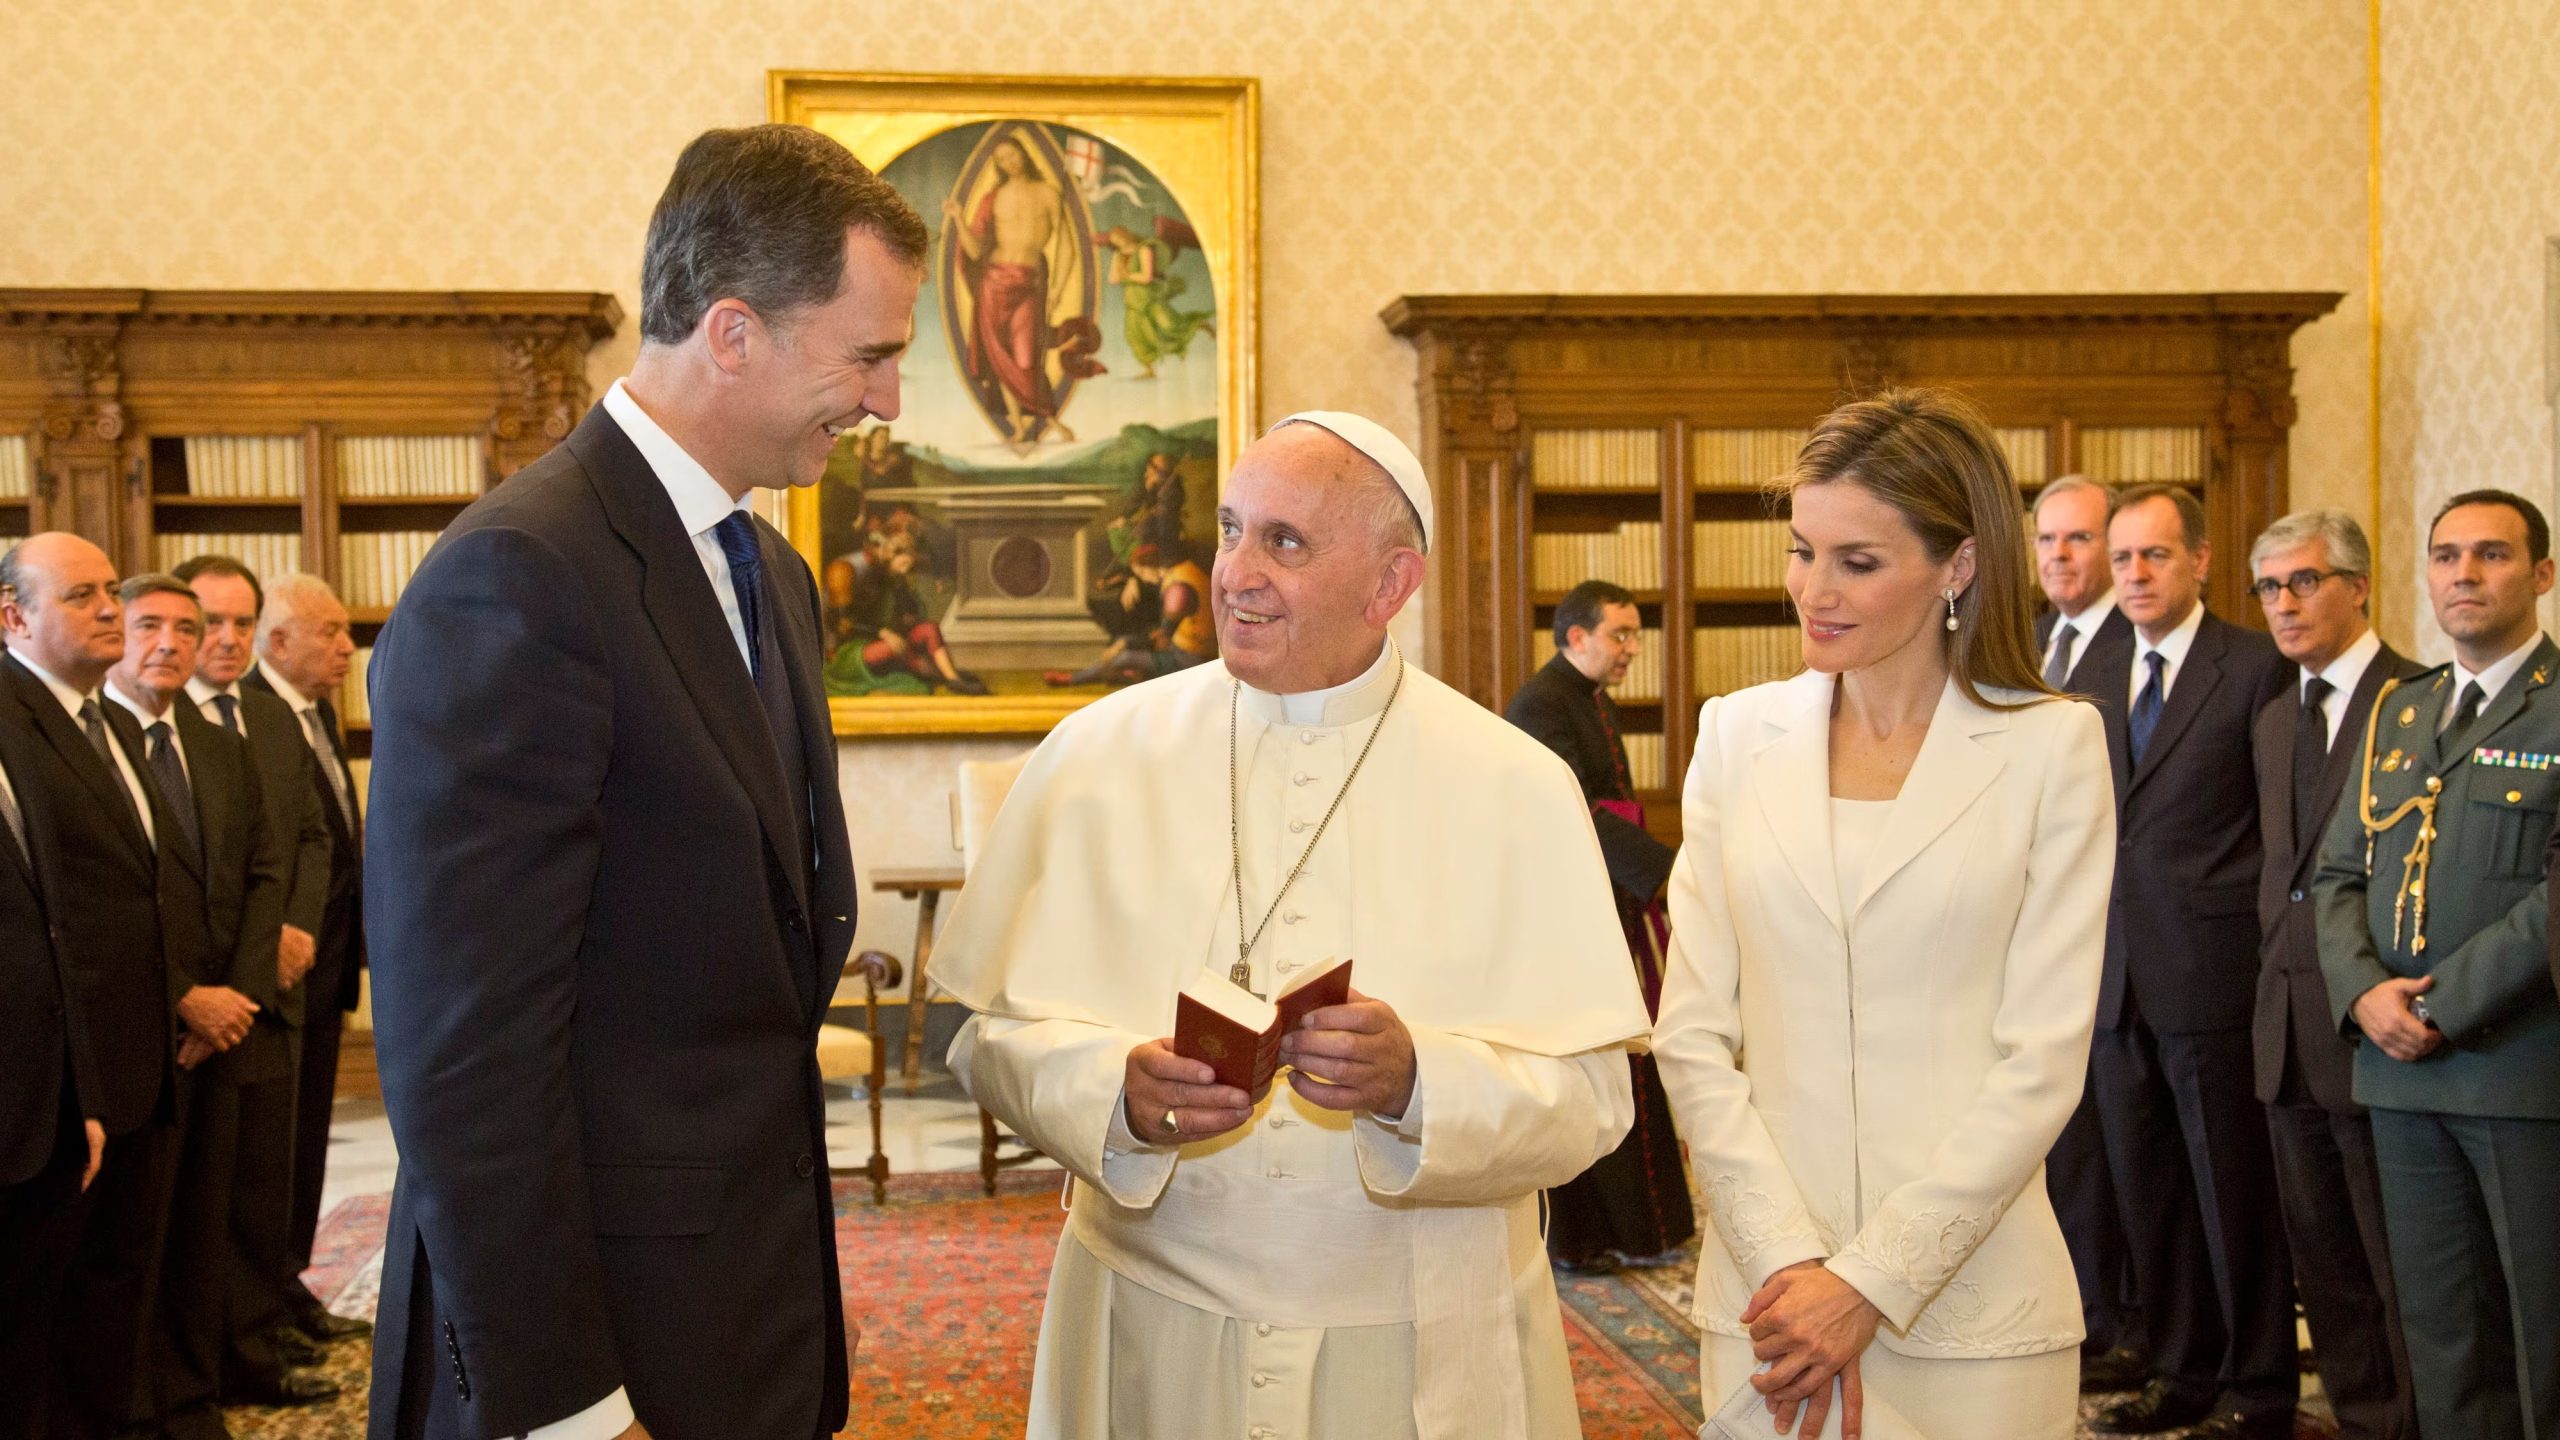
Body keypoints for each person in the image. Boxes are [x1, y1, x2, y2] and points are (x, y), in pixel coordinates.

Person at [933, 411, 1648, 1440]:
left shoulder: (1516, 785)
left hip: (1415, 1341)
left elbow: (1590, 1106)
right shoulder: (1096, 756)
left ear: (1390, 585)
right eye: (1228, 529)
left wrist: (1417, 1084)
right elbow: (986, 1041)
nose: (1234, 572)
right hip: (1155, 1323)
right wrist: (1113, 1096)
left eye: (1285, 541)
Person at [363, 123, 917, 1440]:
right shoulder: (520, 573)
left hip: (730, 1299)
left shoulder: (765, 569)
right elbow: (466, 1053)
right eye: (871, 356)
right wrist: (564, 1405)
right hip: (582, 1345)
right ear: (733, 334)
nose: (888, 401)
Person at [1654, 390, 2114, 1440]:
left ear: (1957, 565)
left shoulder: (2052, 748)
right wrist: (1790, 1264)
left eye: (1856, 562)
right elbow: (1690, 1033)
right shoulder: (1735, 737)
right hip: (1768, 1297)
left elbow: (2041, 1059)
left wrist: (1868, 1280)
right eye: (1800, 552)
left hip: (1974, 1307)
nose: (1812, 591)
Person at [2315, 490, 2560, 1440]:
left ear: (2540, 575)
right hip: (2398, 1078)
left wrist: (2443, 1006)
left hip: (2517, 1071)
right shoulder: (2399, 712)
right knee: (2443, 1335)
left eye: (2492, 555)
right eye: (2447, 556)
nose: (2464, 574)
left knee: (2542, 1332)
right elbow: (2336, 871)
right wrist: (2364, 994)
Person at [2088, 485, 2299, 1440]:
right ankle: (2179, 1372)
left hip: (2214, 972)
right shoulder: (2091, 669)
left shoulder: (2253, 668)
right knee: (2151, 1195)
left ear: (2202, 561)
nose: (2133, 575)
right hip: (2112, 974)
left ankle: (2257, 1388)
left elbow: (2276, 830)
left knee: (2231, 1196)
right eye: (2121, 558)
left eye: (2154, 557)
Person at [0, 534, 184, 1437]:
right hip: (64, 1080)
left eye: (113, 590)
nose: (111, 608)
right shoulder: (14, 718)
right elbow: (45, 919)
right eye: (83, 596)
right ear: (14, 618)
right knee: (46, 1316)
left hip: (139, 1061)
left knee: (116, 1296)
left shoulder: (103, 714)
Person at [2241, 511, 2420, 1440]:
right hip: (2285, 1036)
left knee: (2403, 1267)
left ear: (2358, 585)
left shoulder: (2419, 700)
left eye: (2303, 581)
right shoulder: (2276, 720)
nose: (2284, 603)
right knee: (2328, 1268)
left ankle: (2418, 1422)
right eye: (2268, 587)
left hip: (2376, 1031)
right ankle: (2363, 1421)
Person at [107, 573, 298, 1436]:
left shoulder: (218, 742)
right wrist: (182, 998)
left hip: (226, 1031)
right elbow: (105, 900)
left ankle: (189, 1398)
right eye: (152, 625)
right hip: (143, 1036)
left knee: (207, 1229)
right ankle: (130, 1399)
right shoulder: (90, 737)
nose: (175, 644)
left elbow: (266, 872)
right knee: (129, 1244)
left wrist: (238, 998)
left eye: (189, 629)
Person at [174, 553, 342, 1403]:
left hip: (278, 985)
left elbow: (306, 837)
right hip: (202, 1002)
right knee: (201, 1200)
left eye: (243, 622)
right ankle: (213, 1358)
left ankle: (254, 1342)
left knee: (262, 1187)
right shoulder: (163, 723)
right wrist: (239, 965)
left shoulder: (270, 721)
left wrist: (297, 929)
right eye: (213, 622)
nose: (228, 638)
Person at [1503, 579, 1693, 1273]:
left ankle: (1639, 1228)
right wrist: (1665, 875)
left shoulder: (1585, 698)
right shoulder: (1541, 705)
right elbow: (1577, 811)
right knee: (1591, 1057)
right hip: (1565, 916)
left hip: (1604, 900)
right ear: (1575, 637)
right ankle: (1585, 1234)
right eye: (1620, 635)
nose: (1631, 650)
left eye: (1636, 635)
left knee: (1625, 1052)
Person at [2026, 474, 2146, 1390]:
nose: (2062, 556)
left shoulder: (2132, 652)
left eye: (2079, 540)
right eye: (2048, 540)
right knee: (2066, 1160)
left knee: (2129, 1169)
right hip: (2039, 940)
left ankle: (2131, 1326)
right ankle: (2091, 1320)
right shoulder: (2028, 646)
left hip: (2134, 951)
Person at [242, 571, 372, 1349]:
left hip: (324, 967)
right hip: (279, 974)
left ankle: (290, 1284)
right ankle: (264, 1296)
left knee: (305, 1141)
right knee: (272, 1154)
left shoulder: (315, 715)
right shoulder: (254, 717)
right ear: (278, 640)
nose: (346, 648)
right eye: (329, 633)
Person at [0, 676, 103, 1440]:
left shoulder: (16, 734)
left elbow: (56, 931)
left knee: (28, 1339)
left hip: (43, 1105)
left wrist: (84, 1094)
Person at [942, 135, 1101, 444]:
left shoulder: (1047, 193)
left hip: (1028, 284)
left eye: (1012, 155)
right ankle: (1017, 425)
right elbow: (974, 252)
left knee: (1027, 358)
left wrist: (1058, 287)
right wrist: (959, 219)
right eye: (1001, 160)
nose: (1008, 163)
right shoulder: (994, 197)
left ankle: (1051, 421)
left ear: (1024, 155)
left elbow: (1067, 245)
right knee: (999, 357)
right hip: (993, 282)